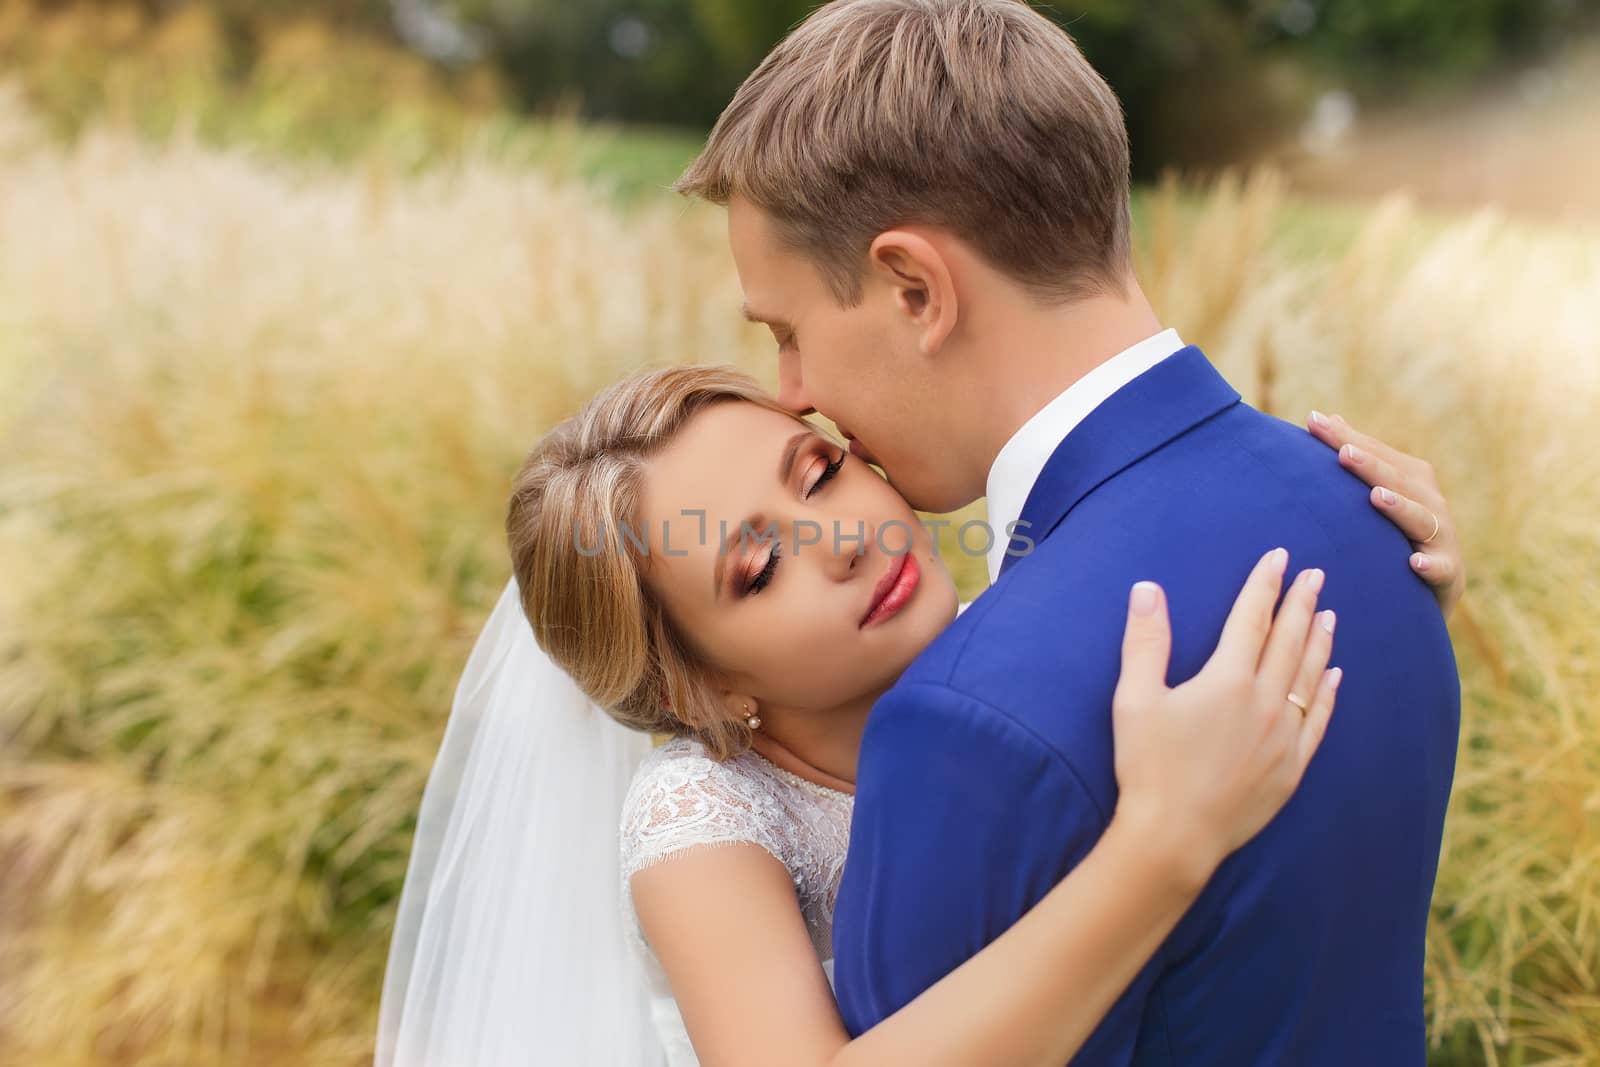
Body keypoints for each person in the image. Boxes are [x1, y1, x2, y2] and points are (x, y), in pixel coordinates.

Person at [668, 1, 1462, 1063]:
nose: (796, 391)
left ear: (915, 289)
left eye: (788, 331)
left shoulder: (966, 719)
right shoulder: (1379, 519)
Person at [374, 362, 1464, 1066]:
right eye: (757, 566)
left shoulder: (1028, 644)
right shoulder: (698, 818)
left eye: (822, 471)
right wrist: (1161, 844)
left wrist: (1389, 562)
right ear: (701, 689)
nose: (842, 536)